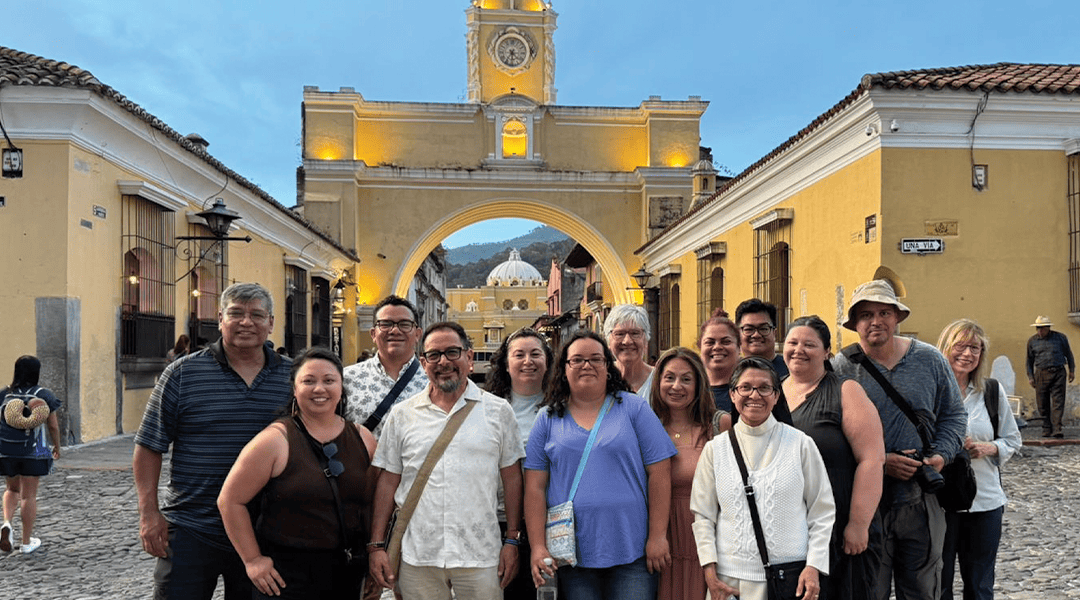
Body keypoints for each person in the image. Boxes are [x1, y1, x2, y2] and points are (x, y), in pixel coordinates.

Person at [134, 282, 293, 600]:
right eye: (236, 313)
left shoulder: (293, 378)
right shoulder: (182, 374)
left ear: (271, 322)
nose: (246, 322)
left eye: (257, 315)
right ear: (220, 318)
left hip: (265, 531)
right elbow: (149, 446)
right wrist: (149, 514)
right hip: (191, 528)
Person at [831, 279, 966, 600]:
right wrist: (879, 462)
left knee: (922, 589)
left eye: (883, 312)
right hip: (866, 504)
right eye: (865, 315)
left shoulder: (930, 360)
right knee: (868, 589)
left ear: (897, 317)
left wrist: (941, 456)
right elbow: (831, 433)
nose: (875, 321)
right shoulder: (841, 367)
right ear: (855, 323)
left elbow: (954, 416)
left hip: (922, 497)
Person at [368, 321, 523, 600]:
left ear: (469, 357)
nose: (444, 362)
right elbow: (389, 481)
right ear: (423, 362)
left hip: (480, 554)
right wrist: (377, 546)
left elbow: (512, 478)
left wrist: (512, 539)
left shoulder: (498, 412)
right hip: (418, 556)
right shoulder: (403, 415)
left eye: (452, 352)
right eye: (434, 355)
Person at [525, 329, 676, 600]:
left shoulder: (633, 409)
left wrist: (657, 536)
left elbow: (660, 473)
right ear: (564, 368)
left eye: (596, 359)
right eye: (578, 360)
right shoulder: (547, 419)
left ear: (608, 366)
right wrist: (537, 546)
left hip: (633, 550)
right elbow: (535, 488)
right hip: (572, 555)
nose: (587, 365)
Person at [218, 347, 377, 599]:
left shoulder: (363, 438)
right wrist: (253, 560)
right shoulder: (274, 441)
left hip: (347, 572)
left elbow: (372, 504)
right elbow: (230, 500)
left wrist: (374, 554)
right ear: (295, 389)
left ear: (341, 387)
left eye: (329, 380)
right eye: (308, 381)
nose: (319, 389)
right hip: (287, 578)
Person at [690, 357, 835, 600]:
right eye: (745, 387)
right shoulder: (715, 450)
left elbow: (822, 512)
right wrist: (710, 572)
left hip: (789, 579)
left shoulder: (800, 445)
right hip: (729, 583)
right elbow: (703, 516)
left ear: (777, 396)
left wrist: (814, 567)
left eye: (764, 388)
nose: (754, 395)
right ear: (733, 395)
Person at [783, 315, 886, 600]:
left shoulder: (846, 391)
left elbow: (872, 459)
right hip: (793, 528)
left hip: (841, 525)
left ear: (827, 352)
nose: (798, 350)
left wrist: (858, 524)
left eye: (809, 344)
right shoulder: (774, 392)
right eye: (792, 342)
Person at [936, 319, 1022, 600]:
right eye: (960, 346)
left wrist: (988, 448)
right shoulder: (930, 393)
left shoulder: (991, 392)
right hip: (939, 504)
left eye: (975, 347)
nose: (968, 353)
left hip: (985, 502)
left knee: (980, 586)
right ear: (945, 348)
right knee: (938, 584)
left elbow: (1012, 440)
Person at [484, 327, 554, 598]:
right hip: (499, 521)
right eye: (519, 355)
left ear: (548, 362)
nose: (528, 361)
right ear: (505, 363)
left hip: (551, 521)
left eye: (536, 354)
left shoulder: (563, 406)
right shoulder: (488, 409)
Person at [649, 347, 716, 600]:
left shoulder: (717, 427)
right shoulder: (645, 427)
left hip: (704, 540)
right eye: (669, 378)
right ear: (658, 382)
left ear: (699, 384)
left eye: (686, 379)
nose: (677, 386)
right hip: (659, 541)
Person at [0, 355, 62, 554]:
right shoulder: (43, 395)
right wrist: (57, 446)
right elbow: (52, 425)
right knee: (29, 496)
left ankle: (7, 523)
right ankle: (26, 542)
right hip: (33, 452)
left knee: (11, 489)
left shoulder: (4, 394)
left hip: (7, 451)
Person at [343, 295, 429, 438]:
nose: (395, 331)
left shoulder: (432, 380)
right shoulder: (347, 378)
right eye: (386, 324)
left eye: (405, 324)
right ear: (373, 334)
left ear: (417, 334)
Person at [1025, 315, 1075, 438]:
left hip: (1058, 372)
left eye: (1042, 328)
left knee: (1058, 402)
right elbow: (1029, 361)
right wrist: (1031, 377)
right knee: (1042, 402)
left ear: (1048, 328)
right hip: (1041, 373)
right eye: (1038, 328)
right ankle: (1046, 427)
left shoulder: (1060, 338)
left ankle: (1057, 428)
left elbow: (1069, 355)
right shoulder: (1032, 341)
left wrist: (1071, 370)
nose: (1039, 331)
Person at [603, 304, 655, 395]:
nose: (627, 341)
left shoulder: (660, 380)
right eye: (619, 334)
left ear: (646, 339)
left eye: (635, 333)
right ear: (608, 341)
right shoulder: (600, 380)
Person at [698, 309, 741, 412]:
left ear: (739, 347)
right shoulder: (691, 391)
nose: (717, 347)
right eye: (710, 342)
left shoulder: (749, 390)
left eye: (726, 342)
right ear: (700, 348)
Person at [735, 298, 788, 378]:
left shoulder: (791, 369)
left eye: (763, 328)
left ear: (774, 333)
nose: (756, 335)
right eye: (749, 329)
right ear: (738, 334)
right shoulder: (730, 371)